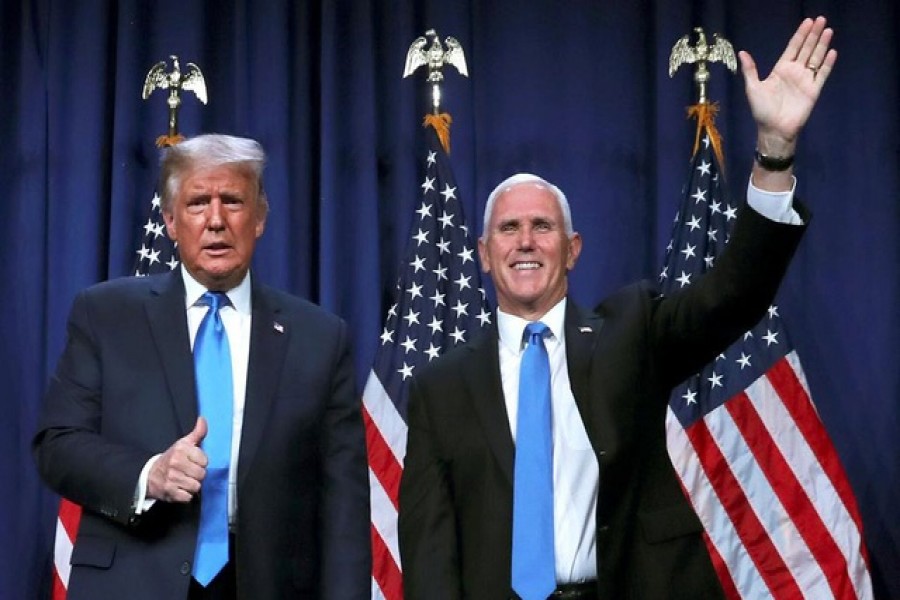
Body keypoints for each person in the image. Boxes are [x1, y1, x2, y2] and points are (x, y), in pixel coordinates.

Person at [398, 16, 836, 600]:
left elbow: (736, 295)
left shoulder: (631, 331)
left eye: (542, 227)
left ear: (573, 249)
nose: (525, 241)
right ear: (483, 253)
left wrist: (775, 152)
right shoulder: (440, 387)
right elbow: (429, 551)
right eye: (508, 228)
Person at [33, 134, 371, 599]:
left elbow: (344, 506)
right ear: (170, 220)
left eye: (232, 200)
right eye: (197, 203)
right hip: (135, 580)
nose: (216, 220)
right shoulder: (106, 315)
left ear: (260, 219)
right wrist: (147, 474)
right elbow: (58, 445)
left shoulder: (319, 336)